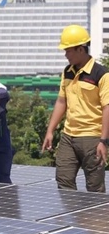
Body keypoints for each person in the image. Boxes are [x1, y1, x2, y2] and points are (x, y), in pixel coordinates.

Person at [42, 24, 109, 193]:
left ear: (80, 49)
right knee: (63, 180)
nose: (65, 55)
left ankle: (95, 219)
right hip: (68, 136)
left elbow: (107, 108)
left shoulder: (101, 74)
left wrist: (103, 141)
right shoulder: (67, 72)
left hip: (92, 138)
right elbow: (61, 102)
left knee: (94, 188)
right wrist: (50, 131)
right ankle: (74, 217)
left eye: (68, 51)